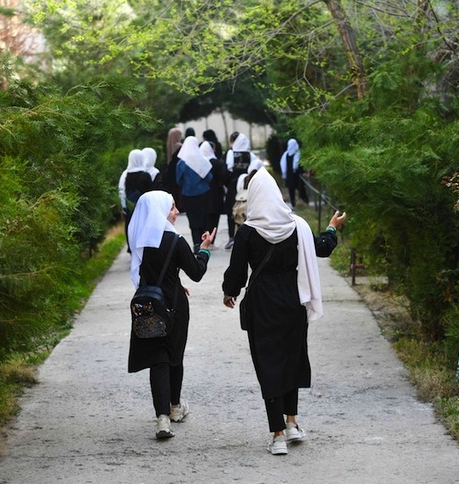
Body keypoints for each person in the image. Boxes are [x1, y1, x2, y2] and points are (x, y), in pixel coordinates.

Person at [221, 168, 346, 456]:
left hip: (262, 304)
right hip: (292, 301)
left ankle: (277, 435)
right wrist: (331, 227)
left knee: (268, 365)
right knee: (291, 360)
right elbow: (323, 248)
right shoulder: (297, 226)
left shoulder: (248, 233)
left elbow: (237, 272)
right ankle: (292, 423)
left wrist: (231, 293)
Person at [127, 191, 216, 439]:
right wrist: (205, 249)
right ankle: (175, 407)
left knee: (158, 360)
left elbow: (145, 273)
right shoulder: (175, 241)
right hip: (174, 306)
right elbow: (196, 272)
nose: (176, 212)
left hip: (148, 305)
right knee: (174, 356)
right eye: (172, 207)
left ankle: (162, 419)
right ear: (160, 210)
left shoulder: (138, 239)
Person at [223, 132, 263, 249]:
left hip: (233, 185)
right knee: (245, 210)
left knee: (232, 210)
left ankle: (231, 237)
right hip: (247, 185)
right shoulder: (251, 155)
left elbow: (228, 168)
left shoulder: (231, 153)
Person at [176, 136, 214, 251]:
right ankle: (204, 241)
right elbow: (209, 177)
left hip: (188, 194)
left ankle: (196, 242)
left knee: (192, 219)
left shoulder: (181, 162)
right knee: (203, 217)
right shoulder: (201, 159)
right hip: (203, 193)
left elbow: (178, 180)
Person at [119, 150, 152, 251]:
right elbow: (151, 193)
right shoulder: (146, 175)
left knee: (131, 228)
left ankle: (132, 248)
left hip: (130, 207)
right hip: (144, 209)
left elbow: (121, 192)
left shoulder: (125, 175)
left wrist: (124, 207)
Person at [200, 140, 227, 246]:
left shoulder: (200, 162)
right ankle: (212, 238)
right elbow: (223, 177)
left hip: (203, 193)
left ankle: (204, 237)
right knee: (214, 217)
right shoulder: (216, 163)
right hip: (216, 193)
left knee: (205, 217)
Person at [280, 138, 308, 208]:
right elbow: (299, 166)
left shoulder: (286, 154)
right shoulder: (297, 154)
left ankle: (296, 204)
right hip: (296, 176)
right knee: (300, 189)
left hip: (290, 177)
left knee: (293, 190)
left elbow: (283, 166)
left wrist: (284, 175)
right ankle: (303, 202)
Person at [163, 128, 184, 211]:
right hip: (178, 169)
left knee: (173, 188)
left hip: (170, 169)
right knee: (179, 188)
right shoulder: (180, 146)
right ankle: (180, 206)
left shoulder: (168, 144)